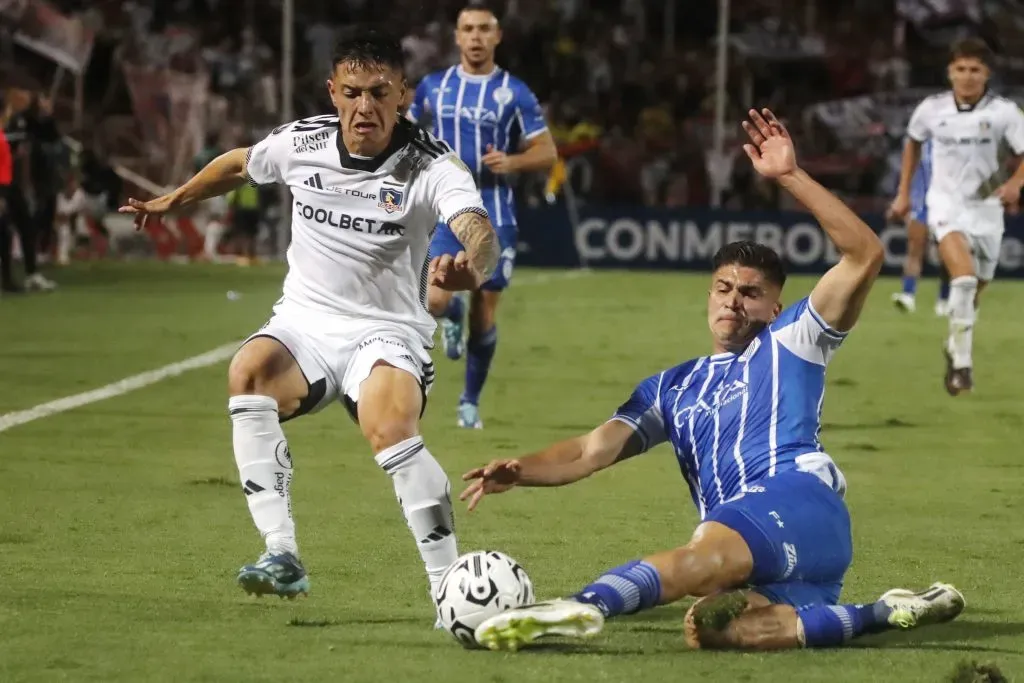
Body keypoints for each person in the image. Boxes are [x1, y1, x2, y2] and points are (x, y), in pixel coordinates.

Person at [461, 109, 965, 652]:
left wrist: (790, 176)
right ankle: (883, 612)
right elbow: (589, 451)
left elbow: (864, 253)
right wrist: (521, 470)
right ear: (708, 295)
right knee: (711, 627)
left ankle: (579, 608)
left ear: (775, 307)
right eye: (723, 287)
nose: (733, 299)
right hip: (772, 555)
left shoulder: (793, 340)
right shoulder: (671, 388)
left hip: (795, 501)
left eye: (750, 292)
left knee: (703, 556)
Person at [119, 28, 500, 620]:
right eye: (352, 92)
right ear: (333, 91)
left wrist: (472, 271)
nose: (364, 107)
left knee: (389, 426)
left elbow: (479, 230)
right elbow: (239, 166)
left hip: (387, 331)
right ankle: (282, 554)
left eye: (379, 92)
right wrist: (173, 200)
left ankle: (447, 583)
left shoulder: (431, 165)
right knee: (247, 372)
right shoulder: (303, 143)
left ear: (404, 94)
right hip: (305, 322)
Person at [407, 3, 557, 429]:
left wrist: (511, 162)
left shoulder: (515, 92)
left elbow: (547, 152)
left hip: (495, 217)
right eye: (468, 29)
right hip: (445, 213)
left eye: (483, 29)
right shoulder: (433, 88)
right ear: (456, 36)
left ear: (497, 37)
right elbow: (405, 135)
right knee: (435, 298)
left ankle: (469, 401)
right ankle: (449, 314)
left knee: (484, 313)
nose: (475, 37)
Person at [890, 37, 1024, 395]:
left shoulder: (1005, 113)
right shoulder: (931, 110)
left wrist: (1015, 183)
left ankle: (954, 345)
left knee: (975, 291)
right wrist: (904, 193)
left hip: (988, 210)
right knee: (962, 280)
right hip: (945, 206)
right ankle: (962, 366)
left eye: (975, 70)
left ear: (987, 74)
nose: (967, 77)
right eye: (961, 69)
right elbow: (913, 144)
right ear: (950, 72)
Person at [889, 139, 951, 316]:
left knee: (945, 253)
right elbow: (907, 171)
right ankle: (908, 295)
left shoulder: (950, 138)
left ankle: (944, 299)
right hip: (920, 203)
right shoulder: (917, 140)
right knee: (914, 249)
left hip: (945, 204)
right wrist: (904, 197)